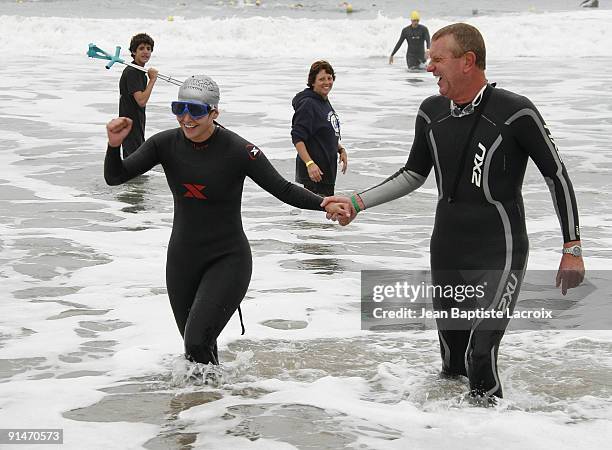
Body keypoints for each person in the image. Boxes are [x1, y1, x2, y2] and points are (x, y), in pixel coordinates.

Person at [325, 23, 585, 403]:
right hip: (447, 247)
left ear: (468, 61)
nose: (429, 67)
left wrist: (572, 247)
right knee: (452, 364)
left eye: (437, 59)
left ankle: (499, 434)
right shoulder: (431, 111)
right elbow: (413, 173)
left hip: (501, 250)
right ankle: (447, 434)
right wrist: (357, 202)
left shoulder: (515, 111)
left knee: (481, 356)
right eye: (429, 59)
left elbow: (556, 176)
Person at [105, 75, 349, 365]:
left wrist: (322, 202)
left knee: (196, 341)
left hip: (228, 259)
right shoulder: (164, 144)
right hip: (182, 259)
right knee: (197, 352)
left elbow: (281, 188)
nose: (186, 118)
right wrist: (113, 145)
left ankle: (215, 401)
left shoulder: (239, 150)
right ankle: (212, 404)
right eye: (179, 108)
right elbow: (116, 176)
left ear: (213, 113)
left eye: (195, 111)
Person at [292, 60, 347, 196]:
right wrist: (309, 164)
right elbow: (297, 137)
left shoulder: (323, 100)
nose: (327, 82)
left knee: (322, 215)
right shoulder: (308, 104)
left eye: (329, 78)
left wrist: (340, 149)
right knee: (312, 216)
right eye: (321, 79)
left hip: (325, 174)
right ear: (313, 82)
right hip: (313, 176)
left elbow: (323, 132)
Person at [118, 33, 159, 158]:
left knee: (136, 161)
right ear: (133, 52)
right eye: (141, 48)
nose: (145, 52)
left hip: (135, 123)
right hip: (130, 126)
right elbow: (141, 101)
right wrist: (152, 80)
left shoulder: (139, 72)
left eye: (148, 49)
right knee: (134, 162)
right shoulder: (132, 72)